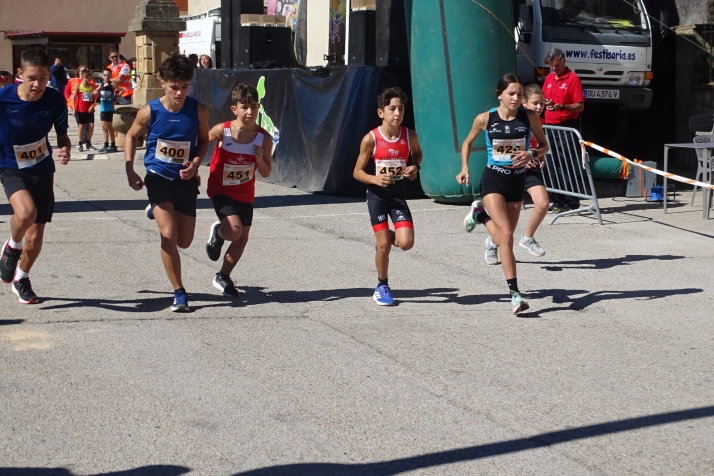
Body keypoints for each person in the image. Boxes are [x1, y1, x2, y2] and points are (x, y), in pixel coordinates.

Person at [456, 73, 548, 315]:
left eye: (519, 94)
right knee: (506, 235)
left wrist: (532, 154)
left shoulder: (528, 117)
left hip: (516, 183)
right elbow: (466, 143)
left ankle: (480, 216)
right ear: (500, 95)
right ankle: (515, 295)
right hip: (493, 180)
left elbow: (544, 145)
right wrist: (464, 168)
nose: (516, 98)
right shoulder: (486, 118)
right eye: (511, 93)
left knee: (501, 238)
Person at [124, 54, 209, 312]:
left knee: (184, 241)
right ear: (163, 83)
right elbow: (130, 135)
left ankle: (155, 210)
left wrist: (194, 163)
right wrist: (130, 169)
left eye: (185, 86)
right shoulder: (150, 111)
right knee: (168, 235)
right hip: (157, 177)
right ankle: (179, 292)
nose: (180, 93)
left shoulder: (198, 110)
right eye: (174, 87)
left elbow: (204, 140)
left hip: (185, 180)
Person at [0, 49, 71, 304]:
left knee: (36, 234)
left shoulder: (54, 101)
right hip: (10, 165)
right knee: (25, 213)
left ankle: (21, 278)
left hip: (41, 167)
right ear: (19, 75)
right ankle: (12, 245)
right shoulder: (3, 98)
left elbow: (63, 136)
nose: (38, 84)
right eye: (32, 78)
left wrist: (64, 149)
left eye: (43, 78)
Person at [353, 87, 422, 306]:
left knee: (406, 243)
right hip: (377, 197)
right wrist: (374, 179)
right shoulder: (371, 139)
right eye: (392, 108)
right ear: (381, 112)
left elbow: (418, 154)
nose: (397, 113)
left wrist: (415, 166)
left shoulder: (409, 136)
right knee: (383, 244)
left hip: (397, 196)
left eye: (401, 109)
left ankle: (383, 237)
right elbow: (357, 172)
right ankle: (382, 285)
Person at [204, 83, 273, 297]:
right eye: (244, 107)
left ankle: (223, 276)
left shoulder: (264, 138)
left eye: (254, 106)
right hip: (220, 189)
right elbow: (199, 144)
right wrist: (191, 166)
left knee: (242, 238)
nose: (250, 112)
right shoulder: (222, 130)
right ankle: (219, 231)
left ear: (259, 107)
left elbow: (266, 172)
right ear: (235, 109)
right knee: (234, 231)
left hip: (245, 192)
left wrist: (259, 159)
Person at [542, 48, 584, 212]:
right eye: (552, 66)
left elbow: (580, 105)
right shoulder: (549, 78)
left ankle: (571, 201)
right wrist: (545, 102)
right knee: (551, 164)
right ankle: (557, 200)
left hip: (565, 126)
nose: (554, 69)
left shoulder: (573, 79)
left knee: (565, 164)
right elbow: (544, 96)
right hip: (549, 126)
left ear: (564, 61)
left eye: (557, 65)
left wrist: (563, 106)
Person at [69, 67, 97, 152]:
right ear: (86, 76)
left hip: (90, 110)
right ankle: (80, 143)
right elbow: (73, 97)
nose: (92, 78)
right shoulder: (79, 86)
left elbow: (93, 98)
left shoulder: (91, 86)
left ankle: (88, 142)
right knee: (81, 126)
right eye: (90, 76)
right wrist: (74, 109)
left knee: (91, 125)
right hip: (81, 109)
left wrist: (92, 105)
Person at [95, 68, 122, 153]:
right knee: (103, 127)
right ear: (102, 76)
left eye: (108, 75)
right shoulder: (102, 85)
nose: (107, 77)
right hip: (103, 108)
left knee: (110, 127)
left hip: (109, 109)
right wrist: (96, 92)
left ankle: (113, 145)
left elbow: (122, 90)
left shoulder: (112, 84)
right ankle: (105, 144)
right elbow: (95, 91)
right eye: (105, 75)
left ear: (111, 76)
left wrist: (115, 100)